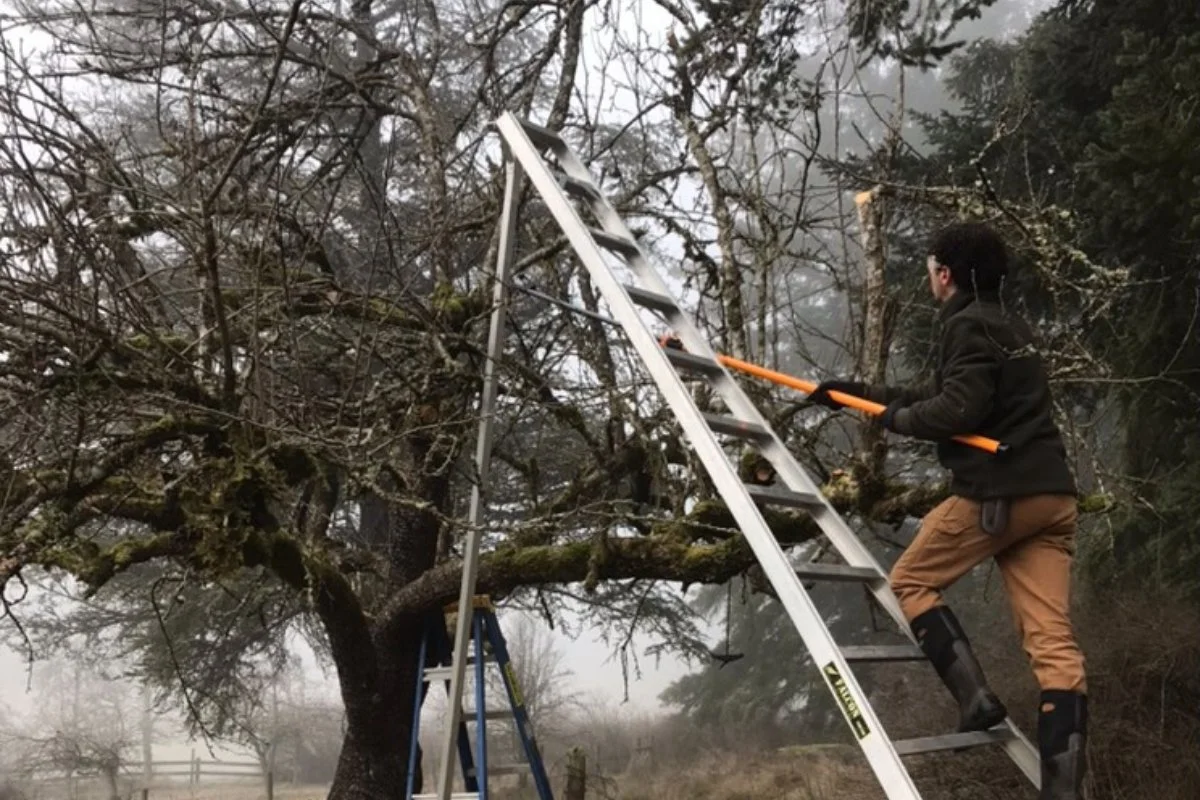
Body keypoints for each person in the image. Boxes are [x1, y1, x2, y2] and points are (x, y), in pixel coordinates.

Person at [809, 222, 1087, 800]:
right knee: (1053, 647)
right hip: (1051, 498)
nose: (930, 277)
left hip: (1000, 495)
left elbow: (953, 409)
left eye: (932, 268)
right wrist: (856, 394)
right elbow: (930, 394)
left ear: (946, 274)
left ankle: (975, 698)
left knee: (910, 580)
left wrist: (894, 421)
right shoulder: (1010, 326)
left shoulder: (968, 325)